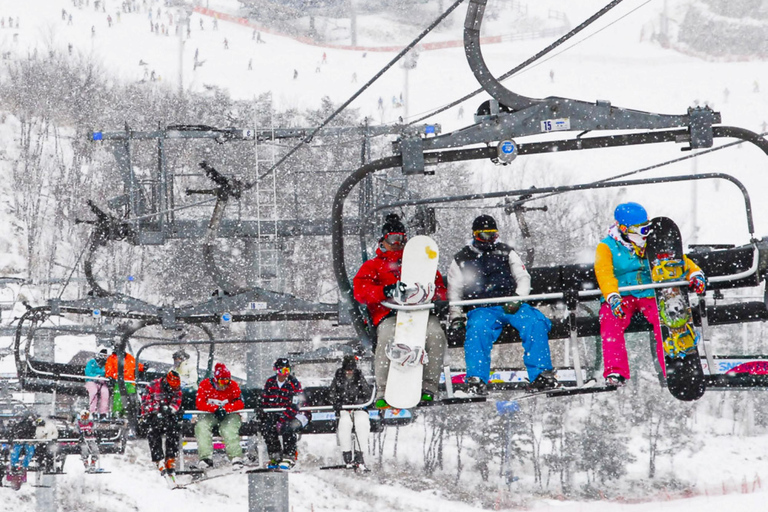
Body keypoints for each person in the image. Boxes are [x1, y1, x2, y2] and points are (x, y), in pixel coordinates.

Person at [595, 202, 706, 386]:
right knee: (610, 321)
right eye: (640, 229)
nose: (645, 233)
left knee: (665, 316)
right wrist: (612, 297)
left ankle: (673, 366)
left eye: (647, 227)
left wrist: (694, 274)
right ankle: (616, 371)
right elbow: (604, 274)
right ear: (623, 228)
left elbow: (678, 261)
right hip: (622, 294)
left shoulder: (653, 243)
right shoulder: (606, 247)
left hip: (650, 293)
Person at [447, 214, 558, 395]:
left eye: (493, 235)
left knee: (535, 323)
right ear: (475, 235)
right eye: (484, 235)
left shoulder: (507, 252)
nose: (490, 240)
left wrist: (517, 297)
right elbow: (455, 291)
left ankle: (541, 374)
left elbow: (522, 277)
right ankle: (477, 379)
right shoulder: (461, 259)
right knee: (477, 330)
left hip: (510, 304)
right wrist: (456, 316)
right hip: (482, 307)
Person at [353, 213, 447, 408]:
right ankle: (383, 388)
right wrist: (385, 291)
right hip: (390, 313)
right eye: (392, 239)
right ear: (383, 240)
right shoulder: (374, 266)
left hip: (421, 312)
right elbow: (361, 292)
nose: (397, 243)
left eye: (401, 239)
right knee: (388, 338)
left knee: (436, 335)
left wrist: (439, 300)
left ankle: (429, 386)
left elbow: (438, 286)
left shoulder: (420, 263)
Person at [260, 358, 311, 470]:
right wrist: (263, 411)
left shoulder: (293, 383)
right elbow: (265, 400)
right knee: (267, 427)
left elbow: (296, 404)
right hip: (277, 412)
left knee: (288, 427)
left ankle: (290, 456)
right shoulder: (270, 382)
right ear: (276, 370)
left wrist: (283, 418)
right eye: (281, 371)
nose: (284, 374)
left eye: (286, 370)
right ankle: (275, 455)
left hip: (296, 414)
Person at [194, 363, 244, 469]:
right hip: (209, 414)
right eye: (222, 381)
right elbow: (200, 403)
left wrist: (226, 409)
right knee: (201, 427)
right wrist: (214, 408)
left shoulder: (233, 386)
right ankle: (205, 457)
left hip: (229, 414)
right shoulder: (205, 385)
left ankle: (236, 457)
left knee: (228, 429)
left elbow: (240, 403)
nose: (224, 385)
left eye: (227, 382)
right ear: (216, 380)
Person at [328, 355, 372, 471]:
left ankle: (359, 455)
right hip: (344, 408)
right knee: (344, 424)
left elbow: (367, 393)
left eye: (351, 370)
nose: (349, 372)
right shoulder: (338, 377)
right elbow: (331, 393)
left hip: (359, 408)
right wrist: (337, 402)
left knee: (362, 423)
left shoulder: (359, 376)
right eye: (347, 370)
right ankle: (347, 455)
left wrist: (359, 401)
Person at [140, 371, 182, 478]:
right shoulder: (153, 385)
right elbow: (145, 402)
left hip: (168, 415)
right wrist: (156, 410)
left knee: (173, 430)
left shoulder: (177, 388)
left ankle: (170, 458)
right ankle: (158, 459)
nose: (173, 389)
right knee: (153, 432)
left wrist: (170, 409)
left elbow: (177, 400)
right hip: (152, 415)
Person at [105, 349, 145, 417]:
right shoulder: (112, 358)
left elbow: (137, 365)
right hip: (119, 381)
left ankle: (128, 413)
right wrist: (109, 376)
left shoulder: (129, 357)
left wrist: (143, 367)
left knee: (131, 396)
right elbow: (109, 369)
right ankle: (118, 412)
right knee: (119, 396)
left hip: (130, 382)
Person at [85, 349, 110, 419]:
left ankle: (103, 413)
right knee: (93, 392)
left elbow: (108, 373)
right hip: (91, 381)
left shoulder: (107, 364)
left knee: (105, 393)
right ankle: (92, 411)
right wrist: (95, 377)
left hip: (102, 382)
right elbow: (88, 372)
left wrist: (105, 378)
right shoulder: (92, 362)